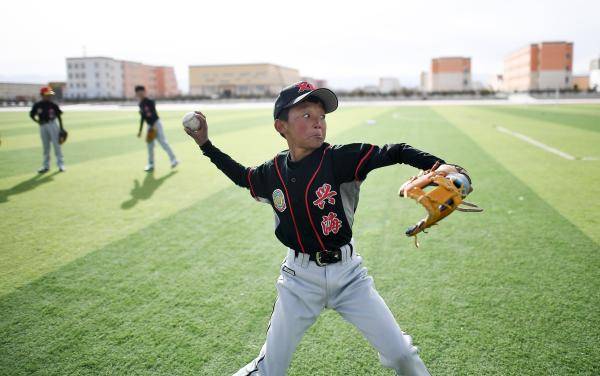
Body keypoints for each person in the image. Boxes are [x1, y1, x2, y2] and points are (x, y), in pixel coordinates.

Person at [184, 82, 473, 375]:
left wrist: (441, 165)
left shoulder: (340, 159)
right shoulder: (272, 172)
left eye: (321, 116)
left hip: (350, 276)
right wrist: (205, 145)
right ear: (280, 126)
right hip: (298, 279)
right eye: (306, 115)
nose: (318, 123)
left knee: (401, 355)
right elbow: (242, 176)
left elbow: (394, 151)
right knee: (270, 368)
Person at [135, 85, 178, 172]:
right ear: (136, 94)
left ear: (144, 92)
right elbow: (143, 118)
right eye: (138, 93)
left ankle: (174, 160)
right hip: (150, 126)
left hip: (156, 124)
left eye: (141, 92)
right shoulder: (140, 104)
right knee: (150, 146)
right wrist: (140, 130)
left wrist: (154, 125)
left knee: (163, 142)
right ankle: (151, 164)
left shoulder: (150, 101)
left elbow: (154, 113)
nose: (140, 94)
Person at [29, 86, 65, 173]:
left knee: (57, 146)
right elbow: (31, 115)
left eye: (50, 94)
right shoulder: (37, 105)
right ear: (42, 95)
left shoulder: (53, 105)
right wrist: (37, 122)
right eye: (47, 94)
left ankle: (61, 165)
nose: (49, 96)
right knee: (46, 147)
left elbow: (59, 117)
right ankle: (46, 166)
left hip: (52, 125)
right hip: (43, 126)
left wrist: (61, 128)